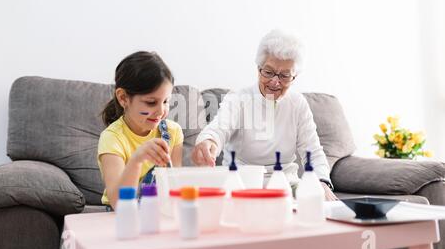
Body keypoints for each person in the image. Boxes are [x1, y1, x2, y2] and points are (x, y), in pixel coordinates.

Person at [191, 29, 338, 201]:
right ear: (258, 68)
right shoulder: (238, 99)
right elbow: (218, 129)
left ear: (294, 77)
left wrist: (321, 182)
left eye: (284, 75)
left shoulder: (298, 104)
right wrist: (209, 141)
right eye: (268, 72)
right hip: (242, 184)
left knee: (315, 202)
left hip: (286, 185)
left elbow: (312, 150)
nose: (275, 82)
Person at [98, 51, 183, 210]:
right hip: (121, 216)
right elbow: (118, 202)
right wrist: (137, 160)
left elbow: (174, 188)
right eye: (151, 102)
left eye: (166, 101)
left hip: (159, 212)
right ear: (123, 98)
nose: (161, 111)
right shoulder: (112, 138)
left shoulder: (173, 132)